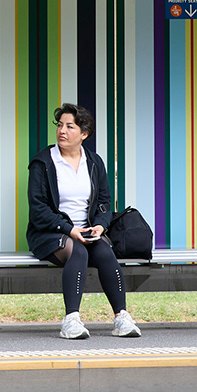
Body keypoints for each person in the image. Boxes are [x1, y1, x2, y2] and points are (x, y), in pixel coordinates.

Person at [26, 104, 141, 339]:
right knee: (78, 252)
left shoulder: (94, 162)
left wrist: (100, 225)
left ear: (84, 134)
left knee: (105, 253)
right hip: (50, 232)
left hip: (87, 230)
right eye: (59, 125)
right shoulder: (43, 163)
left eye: (70, 126)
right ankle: (71, 320)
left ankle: (121, 317)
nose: (62, 131)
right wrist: (69, 229)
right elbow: (38, 210)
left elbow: (104, 202)